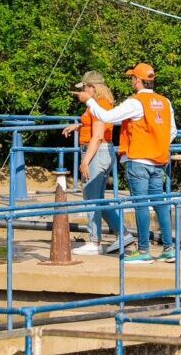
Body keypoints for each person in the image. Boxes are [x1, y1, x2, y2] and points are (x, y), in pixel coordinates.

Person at [75, 63, 177, 264]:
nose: (131, 81)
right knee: (160, 204)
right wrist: (157, 145)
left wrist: (89, 101)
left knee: (140, 204)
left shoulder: (135, 102)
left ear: (137, 80)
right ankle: (169, 249)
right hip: (159, 161)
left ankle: (144, 251)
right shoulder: (165, 101)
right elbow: (172, 131)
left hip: (138, 160)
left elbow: (106, 116)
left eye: (132, 78)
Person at [63, 71, 133, 256]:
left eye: (84, 88)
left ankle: (94, 241)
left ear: (92, 88)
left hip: (97, 152)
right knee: (98, 199)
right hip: (102, 152)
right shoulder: (100, 104)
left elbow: (98, 135)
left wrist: (85, 161)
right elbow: (95, 126)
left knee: (92, 198)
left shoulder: (99, 104)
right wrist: (79, 126)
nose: (81, 92)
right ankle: (123, 234)